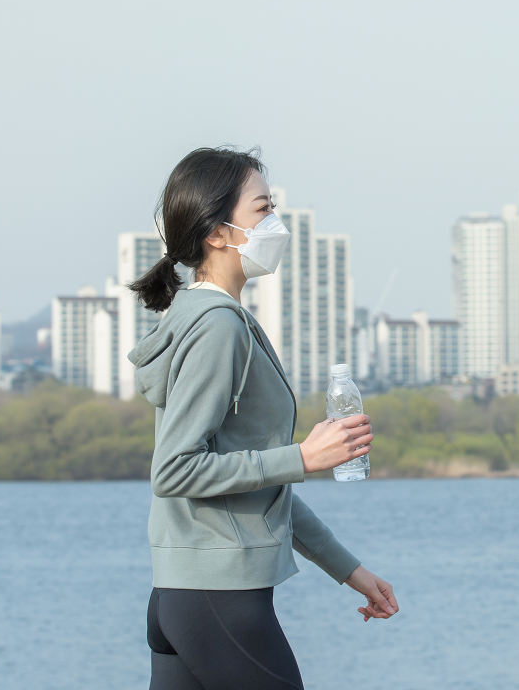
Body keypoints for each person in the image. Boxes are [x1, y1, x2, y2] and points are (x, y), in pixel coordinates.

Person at [127, 147, 398, 690]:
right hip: (217, 600)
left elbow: (258, 490)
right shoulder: (217, 326)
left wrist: (349, 570)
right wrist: (303, 456)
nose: (276, 223)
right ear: (217, 232)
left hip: (189, 598)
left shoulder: (207, 317)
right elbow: (175, 470)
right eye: (263, 209)